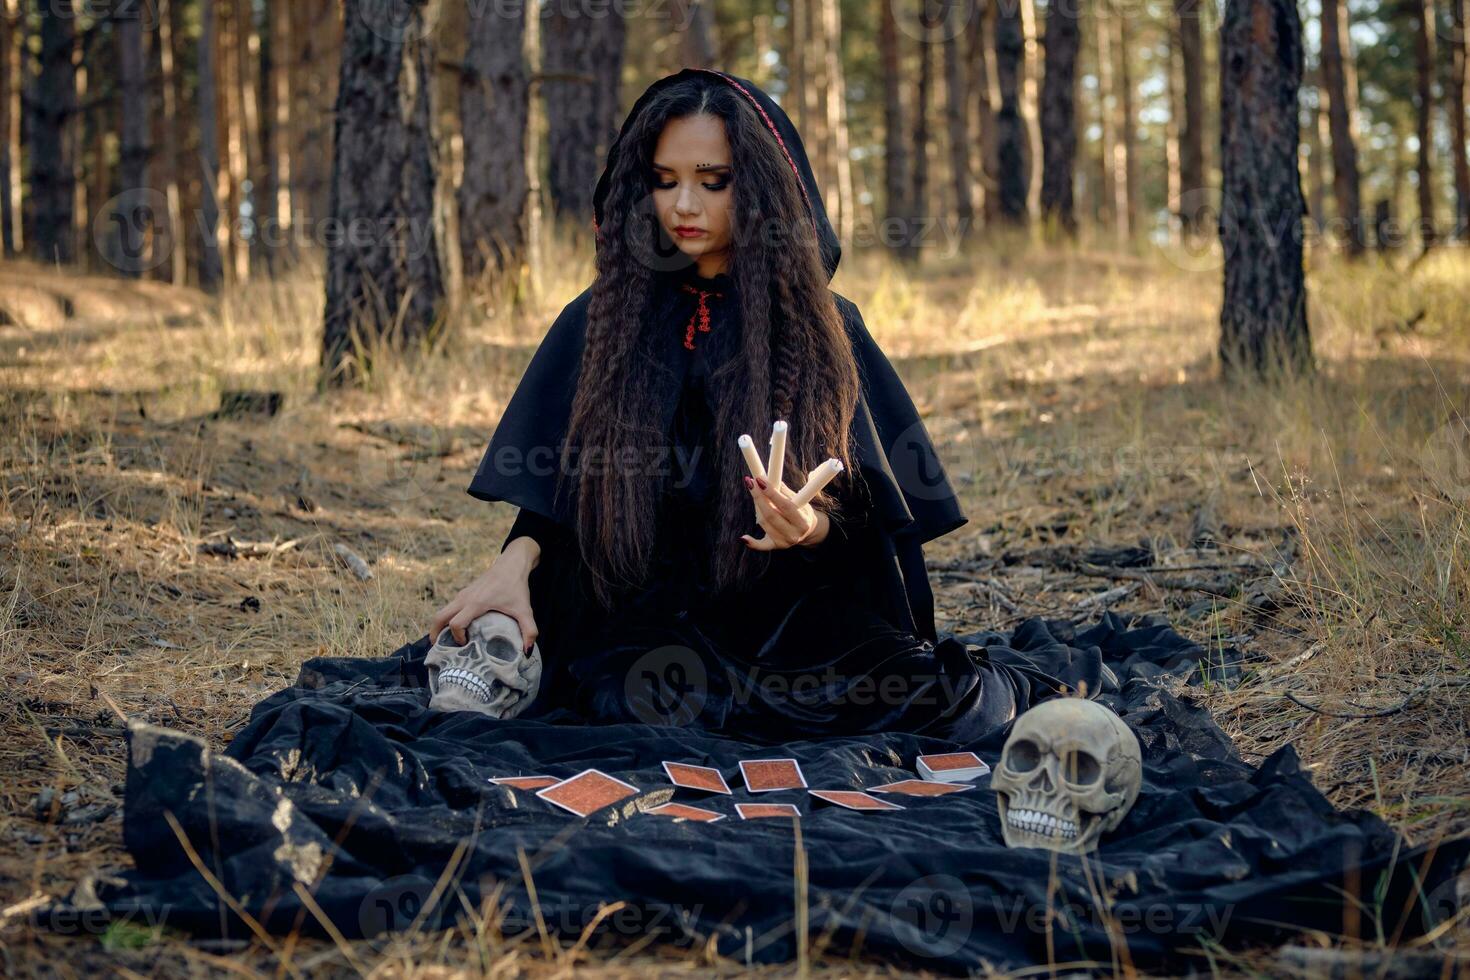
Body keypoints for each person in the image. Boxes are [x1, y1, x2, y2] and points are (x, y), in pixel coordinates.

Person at [427, 69, 1028, 743]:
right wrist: (513, 565)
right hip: (636, 613)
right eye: (664, 179)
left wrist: (809, 527)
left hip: (781, 619)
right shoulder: (603, 318)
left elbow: (871, 532)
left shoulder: (825, 326)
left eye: (714, 181)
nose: (685, 203)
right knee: (628, 706)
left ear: (761, 189)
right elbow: (558, 497)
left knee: (939, 700)